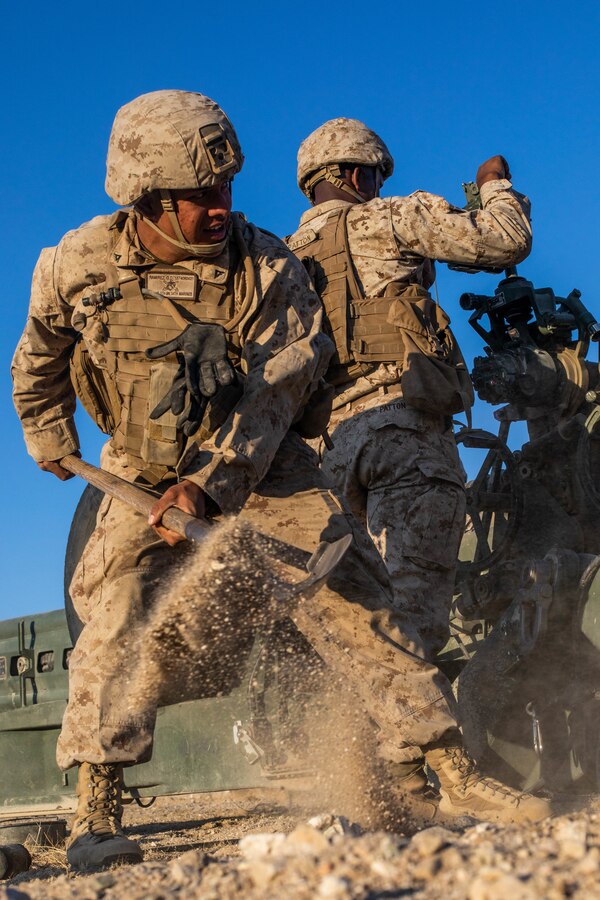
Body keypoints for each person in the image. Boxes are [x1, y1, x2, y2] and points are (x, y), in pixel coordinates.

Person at [12, 93, 548, 873]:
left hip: (260, 457)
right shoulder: (76, 264)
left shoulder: (271, 268)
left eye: (228, 188)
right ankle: (98, 802)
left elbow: (281, 387)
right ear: (146, 199)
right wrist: (46, 431)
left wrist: (210, 483)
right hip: (139, 462)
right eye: (201, 197)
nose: (222, 207)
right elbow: (39, 356)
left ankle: (444, 765)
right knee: (116, 608)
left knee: (360, 594)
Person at [286, 118, 532, 660]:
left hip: (325, 456)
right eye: (373, 177)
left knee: (361, 624)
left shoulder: (280, 260)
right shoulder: (388, 216)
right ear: (355, 174)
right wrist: (494, 186)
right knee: (415, 623)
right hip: (402, 435)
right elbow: (506, 241)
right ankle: (420, 741)